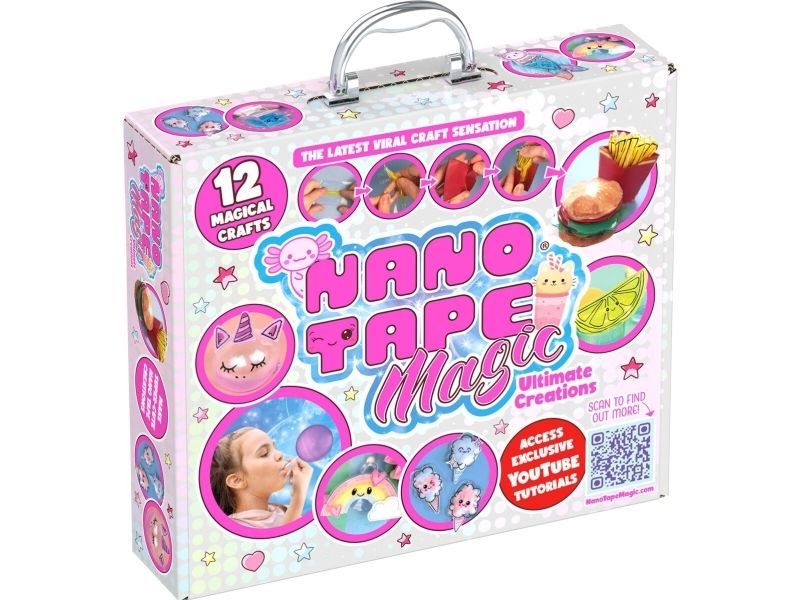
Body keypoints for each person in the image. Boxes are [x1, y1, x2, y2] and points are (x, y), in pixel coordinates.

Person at [211, 427, 312, 528]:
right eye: (264, 454)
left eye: (274, 447)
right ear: (237, 480)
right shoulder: (233, 528)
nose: (280, 454)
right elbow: (283, 537)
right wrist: (298, 495)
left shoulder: (284, 510)